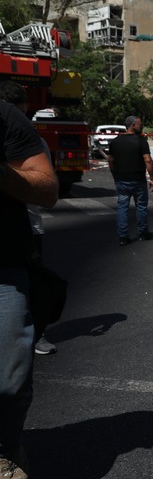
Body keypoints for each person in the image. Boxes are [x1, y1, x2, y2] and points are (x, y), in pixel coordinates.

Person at [0, 96, 59, 479]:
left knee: (10, 377)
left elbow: (48, 188)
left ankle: (6, 448)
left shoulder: (5, 117)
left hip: (3, 266)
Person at [0, 82, 57, 356]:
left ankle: (38, 333)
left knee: (32, 287)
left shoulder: (29, 137)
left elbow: (47, 188)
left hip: (22, 235)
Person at [108, 116, 153, 246]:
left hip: (121, 179)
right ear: (133, 125)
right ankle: (143, 233)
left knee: (122, 207)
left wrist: (115, 176)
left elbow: (110, 160)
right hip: (138, 180)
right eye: (140, 124)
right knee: (141, 206)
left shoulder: (115, 142)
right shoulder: (141, 141)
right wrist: (152, 178)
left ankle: (123, 236)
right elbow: (148, 160)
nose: (142, 126)